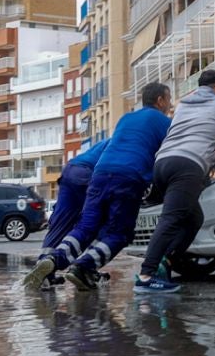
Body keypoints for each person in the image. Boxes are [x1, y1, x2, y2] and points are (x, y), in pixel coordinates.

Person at [22, 83, 173, 290]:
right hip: (128, 177)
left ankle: (54, 259)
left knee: (86, 226)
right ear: (160, 101)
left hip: (99, 174)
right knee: (119, 233)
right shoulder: (164, 122)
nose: (170, 105)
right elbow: (170, 154)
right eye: (169, 100)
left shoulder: (126, 119)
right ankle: (83, 267)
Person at [136, 70, 215, 294]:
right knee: (171, 219)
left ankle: (166, 262)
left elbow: (189, 136)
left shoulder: (183, 107)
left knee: (194, 219)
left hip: (162, 164)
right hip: (187, 167)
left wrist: (212, 155)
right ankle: (146, 275)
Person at [38, 137, 108, 264]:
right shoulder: (127, 146)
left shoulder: (106, 141)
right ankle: (86, 265)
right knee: (98, 221)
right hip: (89, 173)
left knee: (61, 220)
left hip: (70, 169)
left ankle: (44, 264)